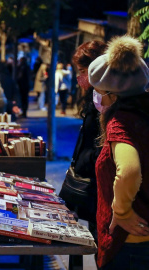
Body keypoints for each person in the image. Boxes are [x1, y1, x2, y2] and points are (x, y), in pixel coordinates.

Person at [88, 35, 149, 270]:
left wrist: (121, 211)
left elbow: (129, 171)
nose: (98, 97)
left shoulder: (122, 121)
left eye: (99, 92)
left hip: (131, 242)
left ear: (112, 94)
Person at [59, 40, 107, 241]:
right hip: (89, 185)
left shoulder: (106, 101)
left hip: (98, 187)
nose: (80, 78)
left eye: (82, 71)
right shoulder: (93, 98)